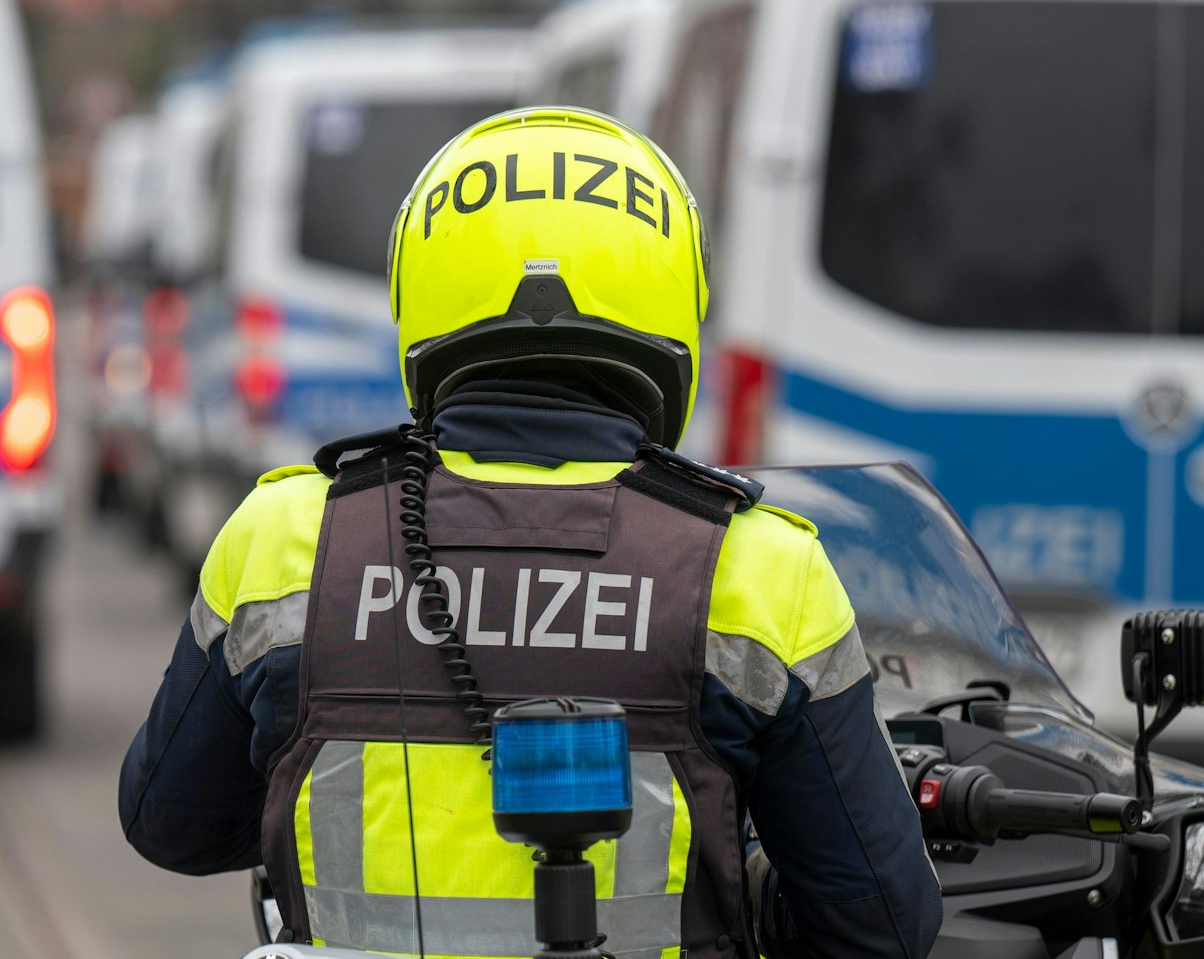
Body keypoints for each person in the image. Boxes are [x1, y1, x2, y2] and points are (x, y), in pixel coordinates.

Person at [119, 107, 942, 959]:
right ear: (675, 299)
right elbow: (880, 925)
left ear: (421, 296)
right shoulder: (763, 570)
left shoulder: (285, 538)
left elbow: (168, 823)